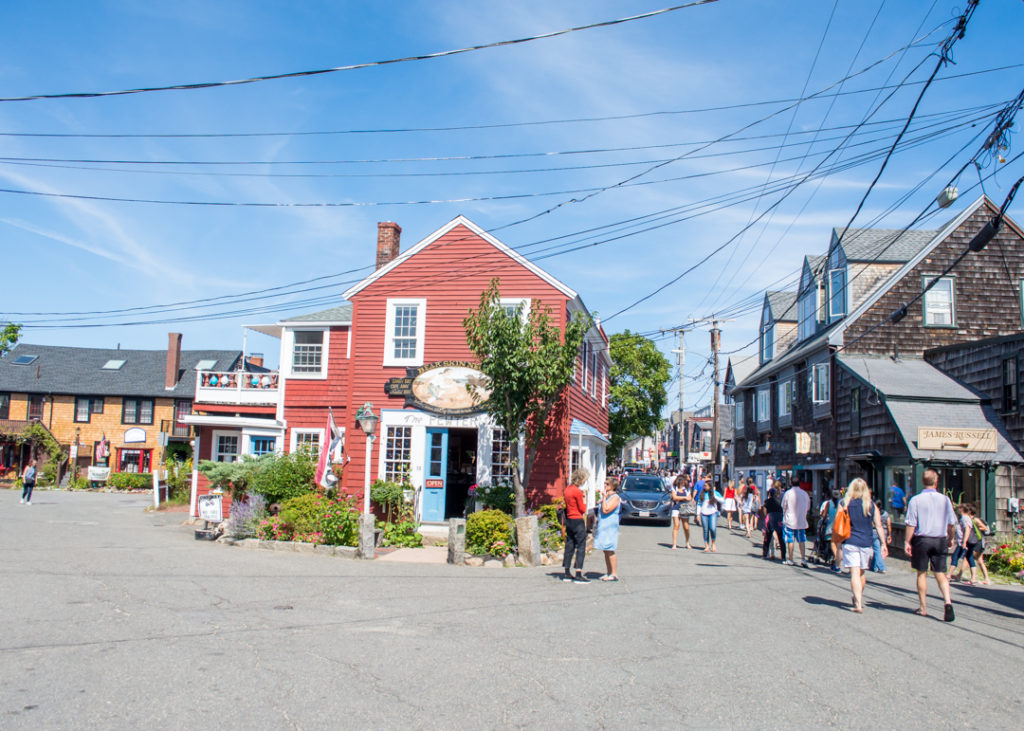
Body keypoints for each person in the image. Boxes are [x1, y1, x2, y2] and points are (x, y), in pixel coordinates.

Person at [904, 469, 957, 621]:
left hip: (922, 539)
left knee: (921, 572)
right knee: (940, 573)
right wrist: (951, 537)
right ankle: (947, 601)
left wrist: (907, 541)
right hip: (939, 538)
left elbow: (911, 523)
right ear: (936, 481)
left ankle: (923, 607)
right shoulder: (945, 500)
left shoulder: (916, 500)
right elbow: (952, 523)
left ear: (922, 481)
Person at [842, 479, 888, 614]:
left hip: (850, 540)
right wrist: (883, 543)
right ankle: (858, 597)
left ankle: (858, 602)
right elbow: (879, 525)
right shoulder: (871, 505)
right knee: (861, 573)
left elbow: (837, 522)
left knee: (855, 573)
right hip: (866, 542)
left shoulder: (846, 503)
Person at [562, 469, 590, 584]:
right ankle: (578, 573)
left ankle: (567, 572)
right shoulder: (577, 492)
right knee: (581, 546)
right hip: (577, 519)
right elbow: (582, 509)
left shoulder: (567, 490)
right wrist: (584, 498)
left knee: (570, 544)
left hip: (569, 520)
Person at [594, 477, 621, 581]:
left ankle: (614, 573)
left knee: (610, 548)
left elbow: (606, 510)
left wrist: (604, 498)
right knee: (605, 550)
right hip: (603, 525)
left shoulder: (615, 497)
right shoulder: (608, 496)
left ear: (613, 486)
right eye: (605, 483)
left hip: (610, 526)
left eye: (607, 484)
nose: (605, 485)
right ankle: (609, 572)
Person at [782, 479, 810, 567]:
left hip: (790, 520)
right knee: (802, 539)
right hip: (801, 520)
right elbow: (808, 507)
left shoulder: (788, 493)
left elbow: (783, 506)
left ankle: (790, 558)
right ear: (799, 483)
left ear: (791, 483)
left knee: (790, 539)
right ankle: (803, 559)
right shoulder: (805, 494)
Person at [818, 489, 842, 573]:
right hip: (840, 526)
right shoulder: (841, 503)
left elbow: (824, 515)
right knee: (839, 544)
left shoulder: (829, 503)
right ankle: (837, 558)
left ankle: (837, 558)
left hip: (830, 526)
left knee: (832, 543)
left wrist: (822, 518)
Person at [670, 473, 693, 550]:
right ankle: (674, 544)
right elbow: (674, 497)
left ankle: (687, 542)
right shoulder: (674, 488)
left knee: (686, 526)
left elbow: (689, 498)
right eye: (683, 481)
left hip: (684, 508)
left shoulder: (687, 489)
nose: (684, 483)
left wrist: (682, 498)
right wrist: (684, 497)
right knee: (676, 525)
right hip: (676, 507)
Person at [761, 486, 785, 560]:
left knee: (767, 537)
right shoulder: (779, 501)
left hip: (770, 518)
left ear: (769, 494)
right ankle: (783, 556)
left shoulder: (767, 501)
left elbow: (765, 512)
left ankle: (765, 554)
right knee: (781, 538)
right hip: (779, 519)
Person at [698, 483, 724, 552]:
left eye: (706, 485)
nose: (704, 487)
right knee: (705, 530)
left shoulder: (715, 493)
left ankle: (713, 543)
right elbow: (699, 504)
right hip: (703, 513)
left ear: (710, 486)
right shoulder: (702, 493)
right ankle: (706, 545)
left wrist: (715, 496)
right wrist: (698, 514)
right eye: (704, 485)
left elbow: (722, 501)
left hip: (712, 513)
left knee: (712, 528)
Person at [870, 498, 892, 574]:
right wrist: (889, 534)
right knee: (877, 549)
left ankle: (881, 567)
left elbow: (873, 523)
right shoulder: (885, 514)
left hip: (875, 532)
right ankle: (872, 566)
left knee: (877, 550)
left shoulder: (873, 512)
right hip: (884, 533)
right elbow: (888, 524)